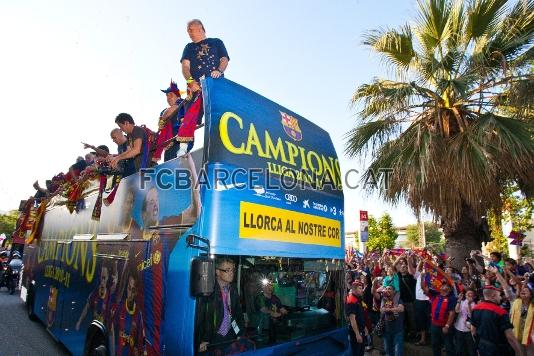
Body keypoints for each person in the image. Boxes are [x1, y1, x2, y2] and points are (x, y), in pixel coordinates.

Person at [198, 257, 244, 353]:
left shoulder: (233, 289)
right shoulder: (209, 289)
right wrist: (203, 339)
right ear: (217, 272)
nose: (231, 273)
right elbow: (202, 316)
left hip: (230, 335)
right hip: (212, 338)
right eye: (227, 270)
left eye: (232, 270)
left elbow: (237, 313)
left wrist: (239, 332)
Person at [471, 285, 523, 356]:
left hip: (482, 347)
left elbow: (473, 331)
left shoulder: (475, 309)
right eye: (499, 295)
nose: (501, 298)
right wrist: (519, 352)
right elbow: (510, 337)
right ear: (493, 296)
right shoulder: (501, 312)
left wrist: (478, 347)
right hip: (498, 350)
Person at [181, 19, 229, 91]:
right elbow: (185, 66)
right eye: (188, 31)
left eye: (191, 30)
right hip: (196, 89)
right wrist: (190, 82)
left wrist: (219, 71)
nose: (189, 33)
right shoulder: (189, 47)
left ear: (200, 28)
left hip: (216, 85)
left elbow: (224, 59)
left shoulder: (216, 42)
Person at [422, 277, 456, 356]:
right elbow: (424, 288)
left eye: (446, 286)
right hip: (434, 325)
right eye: (443, 285)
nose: (443, 287)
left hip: (445, 326)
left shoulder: (452, 298)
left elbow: (452, 313)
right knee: (435, 345)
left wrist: (447, 326)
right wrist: (423, 278)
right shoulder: (435, 294)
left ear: (450, 289)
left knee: (449, 347)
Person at [255, 279, 288, 343]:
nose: (270, 287)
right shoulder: (260, 297)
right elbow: (263, 309)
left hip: (273, 326)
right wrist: (272, 313)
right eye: (267, 286)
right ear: (263, 287)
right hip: (263, 327)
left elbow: (282, 309)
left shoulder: (275, 298)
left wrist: (286, 312)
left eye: (271, 286)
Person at [380, 285, 404, 356]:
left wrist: (389, 309)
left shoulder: (398, 299)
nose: (387, 290)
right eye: (386, 289)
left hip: (398, 330)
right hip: (386, 330)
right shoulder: (384, 300)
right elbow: (381, 310)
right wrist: (391, 309)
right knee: (388, 352)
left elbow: (401, 308)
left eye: (390, 289)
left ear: (394, 291)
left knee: (398, 353)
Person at [509, 285, 534, 355]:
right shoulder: (515, 302)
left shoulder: (533, 305)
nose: (523, 291)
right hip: (517, 335)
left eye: (526, 290)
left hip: (530, 337)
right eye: (522, 290)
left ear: (531, 295)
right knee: (519, 354)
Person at [346, 280, 367, 356]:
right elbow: (352, 319)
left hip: (361, 329)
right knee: (356, 353)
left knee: (361, 352)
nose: (362, 290)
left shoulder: (358, 298)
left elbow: (360, 315)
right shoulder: (352, 300)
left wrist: (364, 328)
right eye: (360, 288)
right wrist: (357, 334)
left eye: (362, 288)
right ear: (354, 289)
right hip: (355, 332)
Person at [454, 290, 476, 356]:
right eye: (467, 293)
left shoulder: (475, 305)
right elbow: (457, 310)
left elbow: (471, 315)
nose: (469, 294)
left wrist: (469, 304)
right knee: (459, 348)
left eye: (471, 293)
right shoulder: (462, 302)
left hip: (469, 330)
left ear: (474, 296)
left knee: (471, 349)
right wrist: (459, 300)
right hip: (459, 328)